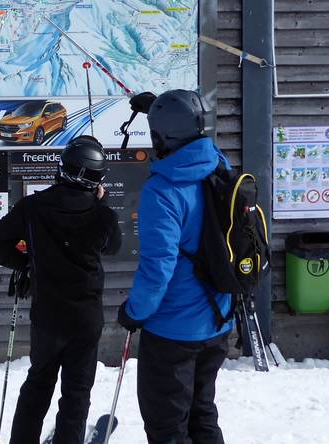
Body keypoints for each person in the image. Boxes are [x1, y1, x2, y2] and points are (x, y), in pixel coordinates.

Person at [0, 135, 122, 444]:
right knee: (77, 392)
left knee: (37, 385)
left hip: (48, 316)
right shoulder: (102, 215)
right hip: (86, 318)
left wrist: (25, 262)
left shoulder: (33, 207)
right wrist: (100, 205)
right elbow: (112, 246)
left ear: (64, 168)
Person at [117, 89, 233, 444]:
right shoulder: (219, 165)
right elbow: (192, 139)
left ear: (162, 136)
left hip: (173, 333)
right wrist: (159, 110)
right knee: (202, 415)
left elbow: (158, 269)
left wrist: (134, 312)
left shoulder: (162, 190)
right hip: (217, 323)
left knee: (168, 428)